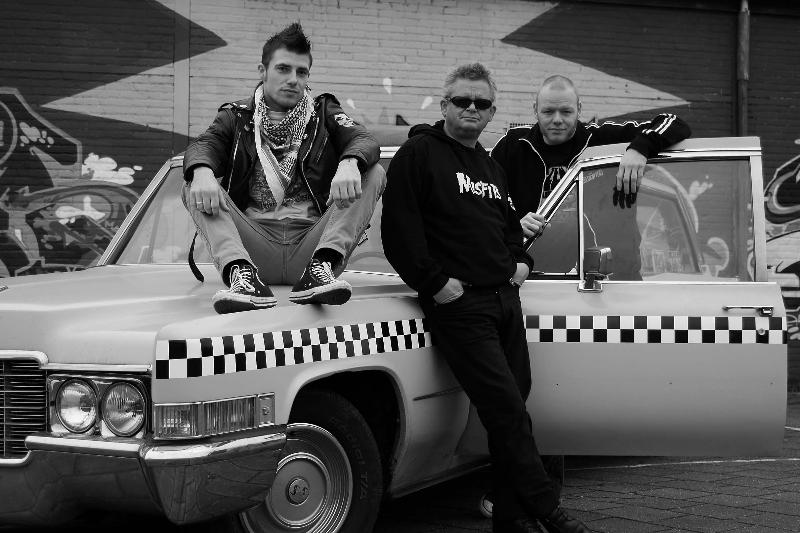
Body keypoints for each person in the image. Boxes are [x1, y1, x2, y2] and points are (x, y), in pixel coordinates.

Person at [381, 63, 590, 533]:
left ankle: (511, 519)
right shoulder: (419, 154)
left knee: (512, 407)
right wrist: (437, 285)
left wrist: (521, 266)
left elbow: (510, 229)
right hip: (461, 307)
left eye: (481, 103)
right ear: (445, 105)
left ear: (493, 111)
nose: (471, 109)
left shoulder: (491, 166)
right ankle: (547, 508)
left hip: (504, 301)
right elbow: (398, 232)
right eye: (462, 101)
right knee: (506, 409)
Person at [182, 22, 383, 314]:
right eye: (283, 69)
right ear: (262, 71)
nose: (293, 80)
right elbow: (203, 145)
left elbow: (363, 140)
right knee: (194, 179)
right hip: (252, 250)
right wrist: (201, 171)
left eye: (302, 72)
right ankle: (241, 276)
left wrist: (350, 162)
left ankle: (322, 268)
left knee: (373, 171)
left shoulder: (324, 113)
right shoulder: (235, 117)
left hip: (312, 247)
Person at [491, 74, 691, 239]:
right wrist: (513, 225)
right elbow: (483, 202)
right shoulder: (513, 145)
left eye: (566, 111)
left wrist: (639, 149)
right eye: (548, 111)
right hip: (532, 266)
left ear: (579, 109)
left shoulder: (602, 140)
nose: (557, 120)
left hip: (608, 269)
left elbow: (675, 122)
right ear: (535, 110)